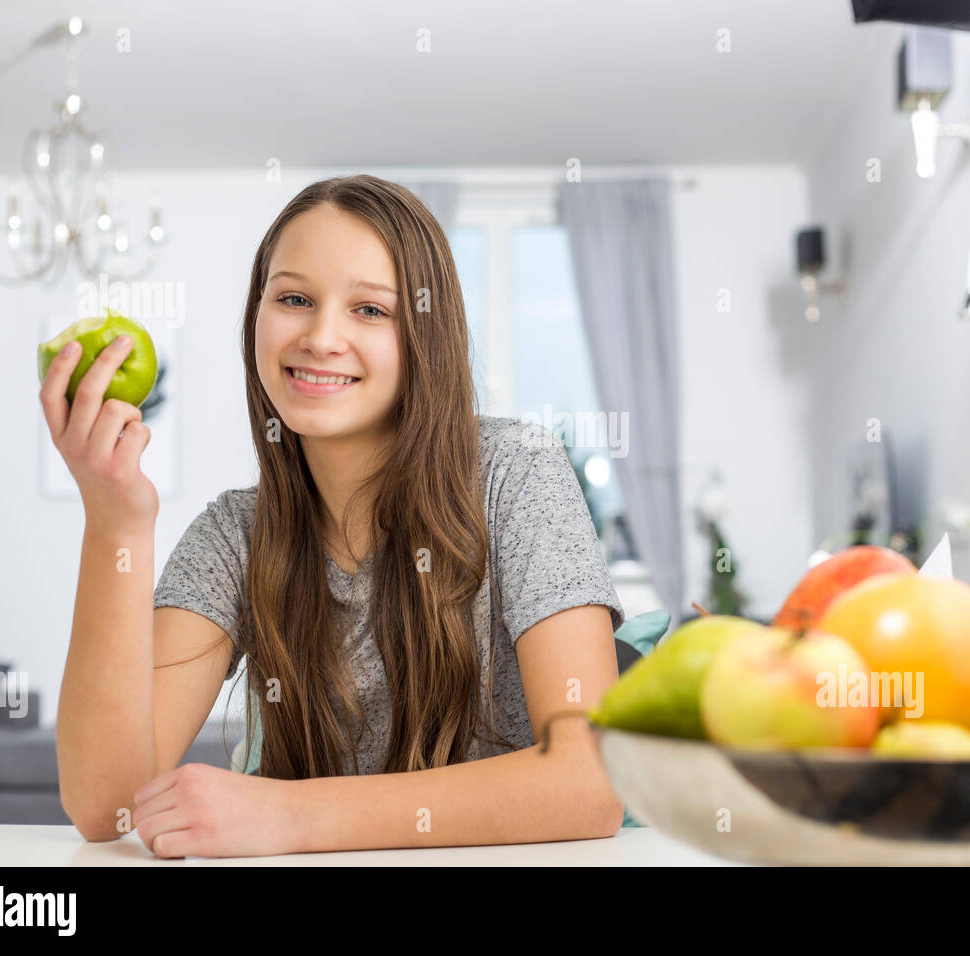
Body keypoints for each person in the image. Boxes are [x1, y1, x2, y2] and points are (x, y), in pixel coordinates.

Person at [44, 174, 627, 857]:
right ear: (256, 316)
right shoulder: (234, 536)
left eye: (371, 311)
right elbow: (107, 809)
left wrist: (292, 816)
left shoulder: (516, 471)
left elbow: (591, 781)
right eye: (294, 298)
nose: (321, 337)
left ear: (426, 334)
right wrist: (115, 523)